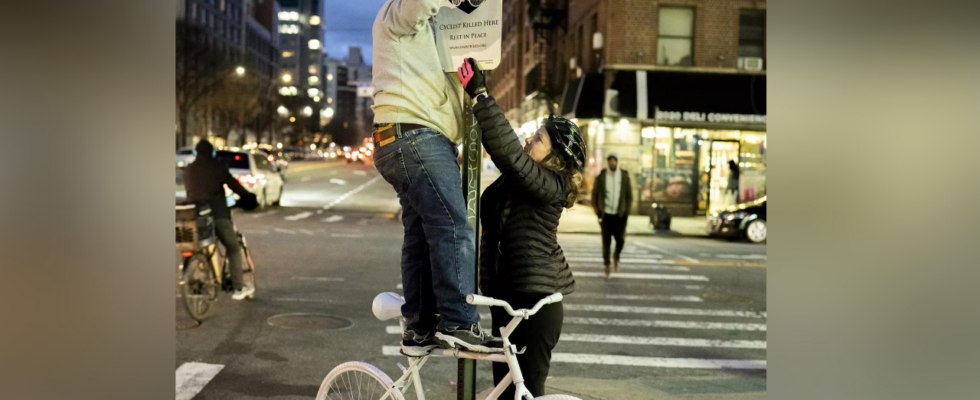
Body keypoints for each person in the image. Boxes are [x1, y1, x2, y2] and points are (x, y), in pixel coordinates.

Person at [371, 0, 498, 355]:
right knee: (453, 227)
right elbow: (417, 6)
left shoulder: (430, 34)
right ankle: (458, 322)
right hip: (415, 135)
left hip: (405, 138)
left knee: (421, 235)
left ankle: (419, 328)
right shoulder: (395, 14)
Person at [458, 58, 583, 399]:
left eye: (539, 138)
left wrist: (481, 95)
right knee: (503, 392)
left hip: (535, 304)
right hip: (505, 300)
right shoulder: (519, 182)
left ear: (555, 156)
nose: (530, 139)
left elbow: (509, 155)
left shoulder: (550, 185)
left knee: (526, 393)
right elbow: (502, 161)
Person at [183, 139, 258, 300]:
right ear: (212, 152)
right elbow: (235, 187)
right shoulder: (217, 167)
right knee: (233, 247)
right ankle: (238, 288)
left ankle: (191, 283)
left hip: (194, 217)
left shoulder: (189, 169)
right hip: (217, 215)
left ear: (196, 153)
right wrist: (250, 198)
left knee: (195, 246)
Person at [591, 152, 633, 278]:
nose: (612, 163)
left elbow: (629, 196)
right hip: (606, 215)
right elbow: (595, 195)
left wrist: (626, 212)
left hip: (619, 215)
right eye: (610, 161)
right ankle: (607, 265)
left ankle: (616, 255)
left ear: (617, 161)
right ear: (608, 162)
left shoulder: (624, 176)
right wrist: (598, 212)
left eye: (614, 160)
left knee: (620, 240)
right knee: (606, 242)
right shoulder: (602, 176)